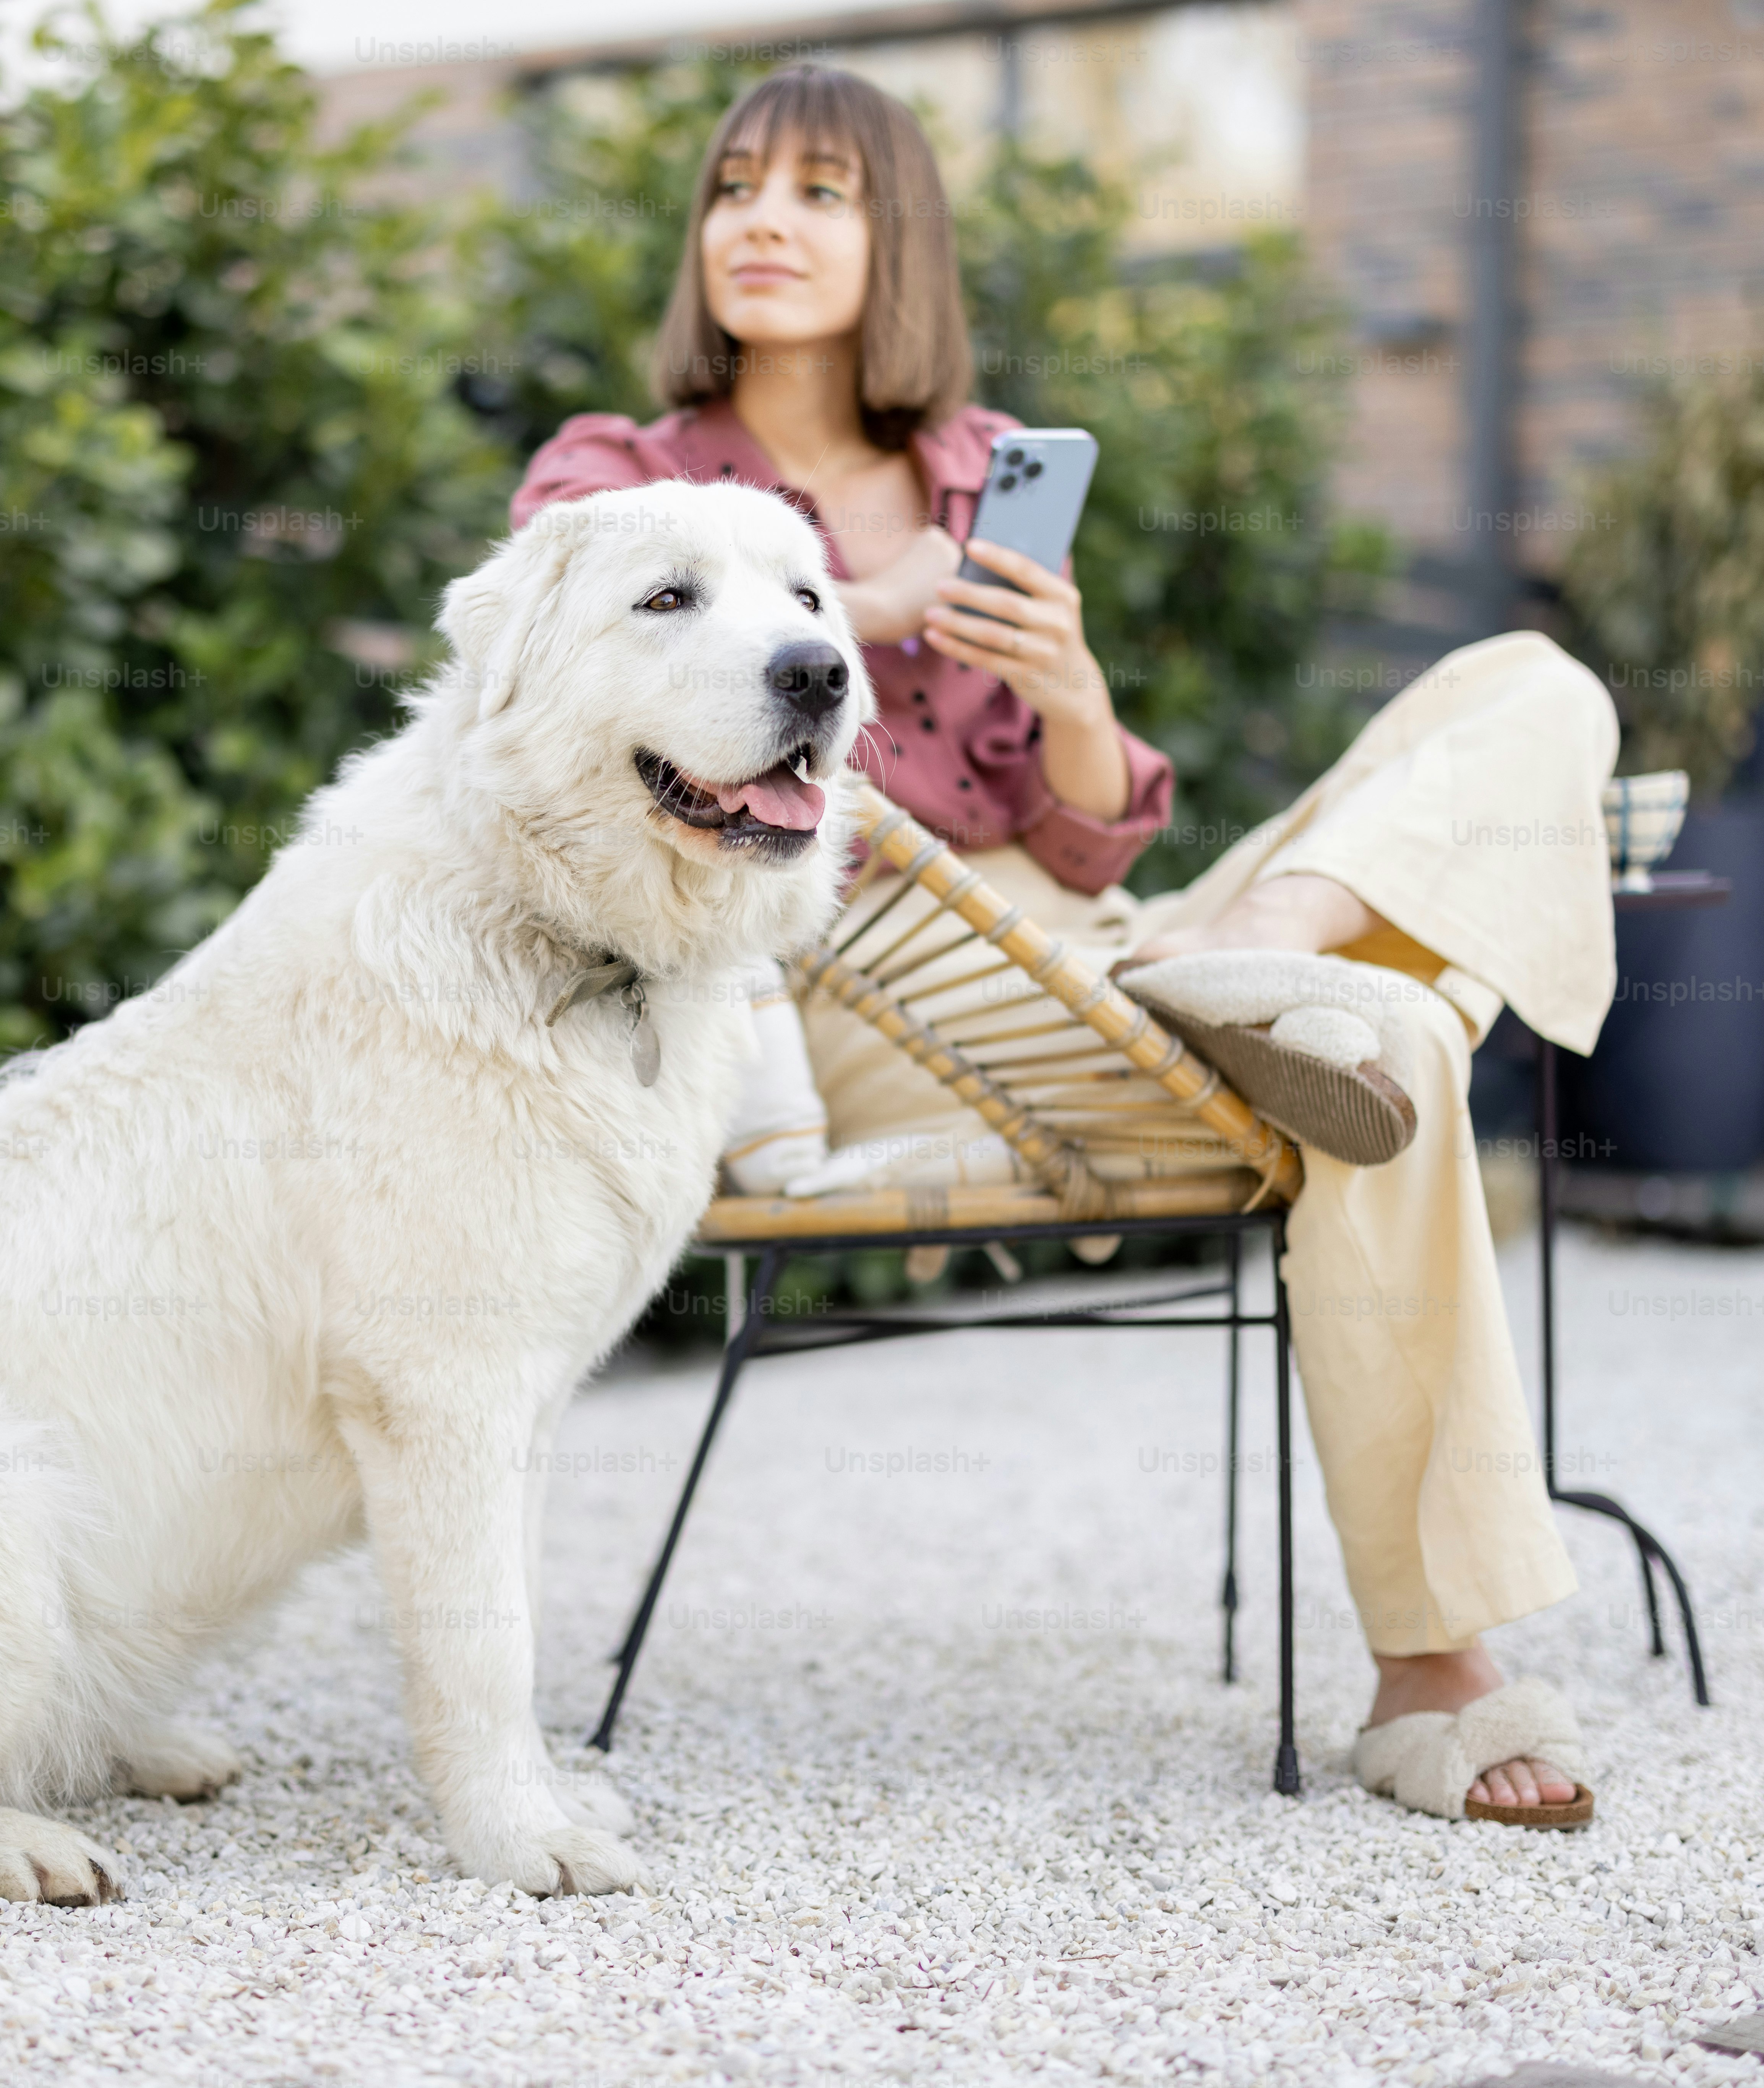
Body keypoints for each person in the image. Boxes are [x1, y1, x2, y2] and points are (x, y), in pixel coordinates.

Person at [511, 66, 1618, 1825]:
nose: (760, 223)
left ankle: (1266, 946)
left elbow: (1083, 826)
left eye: (817, 192)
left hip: (1100, 943)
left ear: (900, 244)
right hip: (885, 981)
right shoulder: (625, 485)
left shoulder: (977, 471)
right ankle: (1436, 1676)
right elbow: (558, 726)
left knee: (1528, 691)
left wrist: (1072, 690)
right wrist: (864, 610)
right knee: (1390, 1043)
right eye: (732, 189)